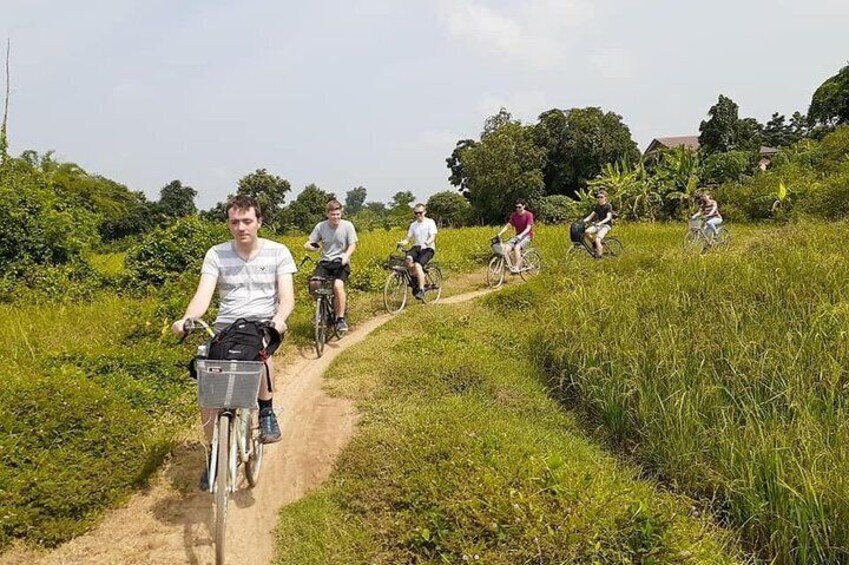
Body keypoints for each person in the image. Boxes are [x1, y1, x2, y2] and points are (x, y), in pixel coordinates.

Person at [171, 195, 296, 487]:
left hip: (263, 324)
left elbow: (287, 297)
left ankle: (266, 412)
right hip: (226, 328)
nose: (241, 227)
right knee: (208, 383)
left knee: (262, 355)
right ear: (228, 224)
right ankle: (214, 452)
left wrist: (279, 319)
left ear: (259, 222)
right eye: (235, 222)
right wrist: (187, 319)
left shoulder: (278, 252)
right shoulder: (216, 254)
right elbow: (203, 295)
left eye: (247, 221)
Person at [304, 199, 358, 334]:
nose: (336, 217)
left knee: (338, 286)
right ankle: (321, 310)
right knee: (314, 284)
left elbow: (352, 245)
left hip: (341, 262)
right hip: (325, 262)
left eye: (338, 214)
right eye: (333, 214)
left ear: (341, 213)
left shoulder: (348, 226)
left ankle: (340, 319)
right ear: (327, 214)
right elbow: (309, 243)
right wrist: (310, 247)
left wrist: (346, 255)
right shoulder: (320, 226)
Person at [398, 203, 437, 301]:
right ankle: (418, 278)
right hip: (417, 247)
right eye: (416, 213)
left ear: (425, 212)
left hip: (428, 248)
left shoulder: (430, 222)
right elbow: (408, 238)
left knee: (418, 265)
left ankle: (421, 290)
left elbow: (433, 236)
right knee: (407, 261)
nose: (418, 215)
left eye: (420, 213)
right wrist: (402, 243)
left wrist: (428, 242)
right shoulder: (413, 225)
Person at [496, 199, 535, 273]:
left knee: (517, 248)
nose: (518, 209)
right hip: (518, 236)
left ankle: (517, 267)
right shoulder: (514, 215)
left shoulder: (529, 215)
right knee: (506, 248)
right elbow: (508, 225)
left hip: (527, 235)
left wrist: (521, 235)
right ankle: (513, 265)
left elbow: (528, 228)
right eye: (516, 207)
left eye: (519, 207)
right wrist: (500, 233)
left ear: (524, 206)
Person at [583, 190, 614, 258]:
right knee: (586, 232)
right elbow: (591, 216)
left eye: (601, 197)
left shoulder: (608, 206)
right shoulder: (597, 206)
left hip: (606, 225)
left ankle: (599, 257)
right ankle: (594, 244)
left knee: (597, 239)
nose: (599, 198)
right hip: (598, 224)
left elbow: (608, 217)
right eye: (598, 197)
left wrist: (600, 222)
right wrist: (583, 221)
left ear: (605, 198)